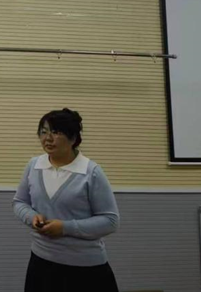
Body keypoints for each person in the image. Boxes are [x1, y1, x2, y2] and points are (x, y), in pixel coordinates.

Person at [12, 108, 120, 292]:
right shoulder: (34, 165)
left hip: (85, 268)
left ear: (73, 138)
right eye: (43, 132)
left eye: (56, 132)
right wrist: (32, 217)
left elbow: (110, 221)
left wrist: (64, 227)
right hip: (41, 262)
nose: (48, 138)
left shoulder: (91, 172)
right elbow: (19, 202)